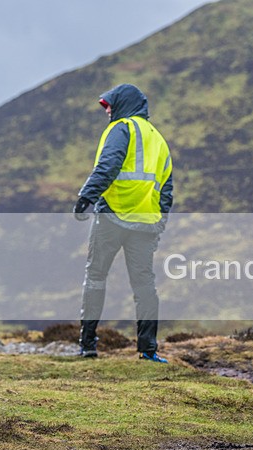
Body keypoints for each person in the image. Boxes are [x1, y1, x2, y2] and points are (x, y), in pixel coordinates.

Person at [73, 84, 173, 363]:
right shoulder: (158, 139)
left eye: (110, 106)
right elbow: (167, 188)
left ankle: (88, 345)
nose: (107, 112)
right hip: (145, 224)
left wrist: (85, 197)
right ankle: (149, 350)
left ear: (123, 104)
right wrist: (160, 222)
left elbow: (108, 165)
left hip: (112, 216)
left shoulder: (122, 128)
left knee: (95, 277)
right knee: (144, 285)